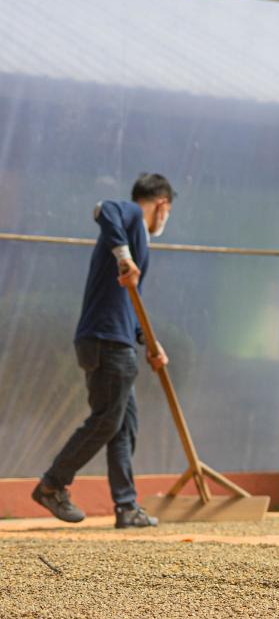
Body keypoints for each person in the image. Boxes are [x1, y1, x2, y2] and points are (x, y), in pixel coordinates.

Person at [31, 173, 175, 528]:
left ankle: (127, 508)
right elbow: (103, 208)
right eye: (167, 213)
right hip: (106, 341)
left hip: (115, 338)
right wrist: (124, 256)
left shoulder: (134, 235)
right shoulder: (128, 216)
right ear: (162, 205)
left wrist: (149, 342)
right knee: (108, 419)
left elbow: (130, 303)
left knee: (124, 426)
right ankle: (52, 485)